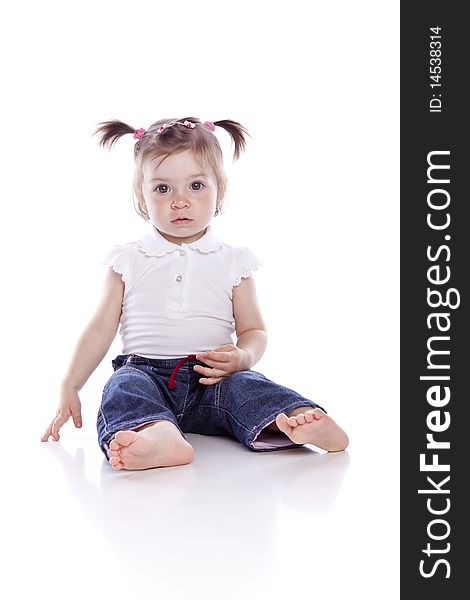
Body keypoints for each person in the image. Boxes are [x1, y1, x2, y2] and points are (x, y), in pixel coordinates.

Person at [41, 116, 349, 470]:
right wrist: (70, 385)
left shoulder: (234, 261)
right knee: (123, 388)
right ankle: (156, 435)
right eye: (162, 189)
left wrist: (242, 357)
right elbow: (99, 329)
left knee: (248, 387)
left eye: (196, 186)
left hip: (213, 376)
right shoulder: (128, 259)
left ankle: (295, 419)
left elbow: (253, 330)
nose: (180, 202)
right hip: (146, 372)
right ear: (141, 195)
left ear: (220, 188)